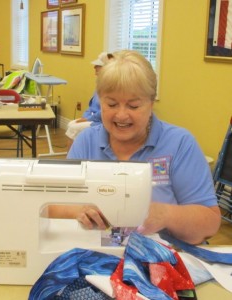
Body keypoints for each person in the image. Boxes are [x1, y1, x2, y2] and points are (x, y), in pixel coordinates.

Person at [50, 50, 221, 245]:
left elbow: (210, 224)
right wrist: (78, 211)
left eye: (133, 106)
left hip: (164, 261)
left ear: (151, 102)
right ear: (100, 101)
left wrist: (165, 214)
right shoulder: (85, 142)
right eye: (112, 104)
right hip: (99, 258)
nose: (121, 115)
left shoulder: (180, 144)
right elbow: (53, 205)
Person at [65, 52, 113, 150]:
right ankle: (80, 153)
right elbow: (91, 107)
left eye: (98, 65)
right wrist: (84, 117)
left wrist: (88, 119)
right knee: (71, 124)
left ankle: (72, 160)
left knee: (73, 128)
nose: (94, 67)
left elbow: (106, 110)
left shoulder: (110, 87)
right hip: (92, 118)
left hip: (100, 121)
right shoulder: (100, 84)